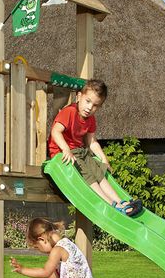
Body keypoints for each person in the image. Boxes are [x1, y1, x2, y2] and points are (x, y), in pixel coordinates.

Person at [49, 79, 142, 216]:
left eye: (95, 105)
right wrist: (65, 149)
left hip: (80, 151)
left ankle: (120, 201)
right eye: (87, 101)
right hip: (63, 153)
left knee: (99, 172)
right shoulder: (69, 112)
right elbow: (55, 131)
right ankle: (111, 204)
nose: (89, 108)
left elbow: (92, 142)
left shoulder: (90, 119)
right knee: (88, 174)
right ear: (79, 96)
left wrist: (104, 159)